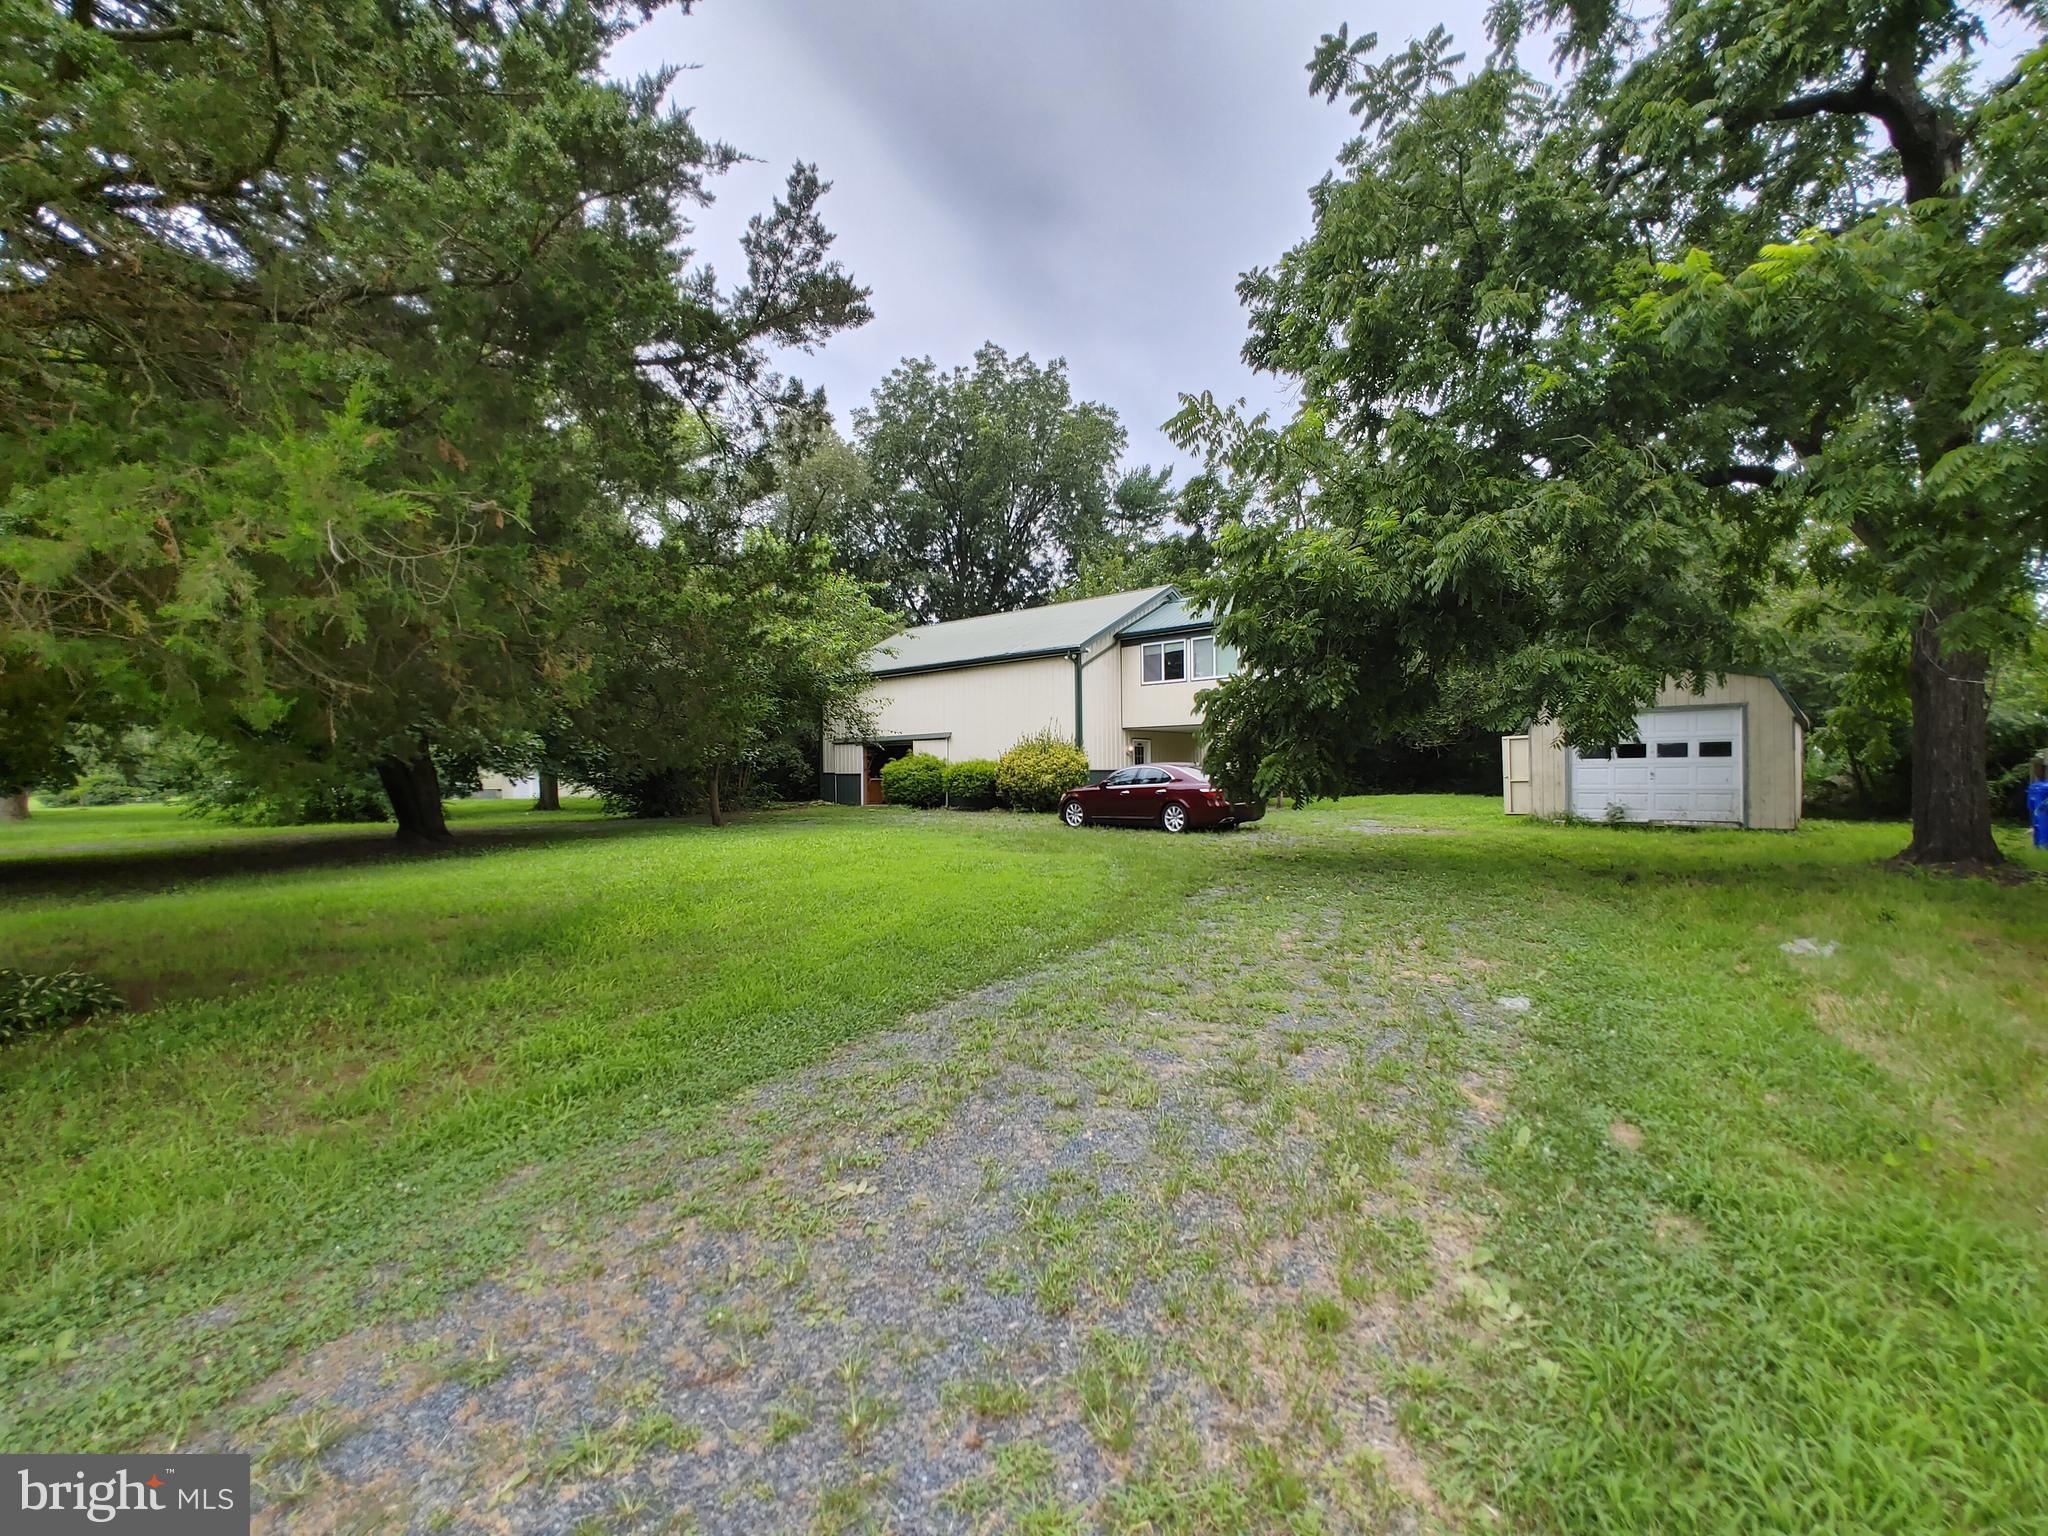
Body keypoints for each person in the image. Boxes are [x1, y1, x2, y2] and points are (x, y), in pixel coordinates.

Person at [2032, 755, 2048, 851]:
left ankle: (2039, 844)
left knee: (2038, 826)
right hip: (2041, 811)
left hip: (2039, 813)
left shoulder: (2037, 787)